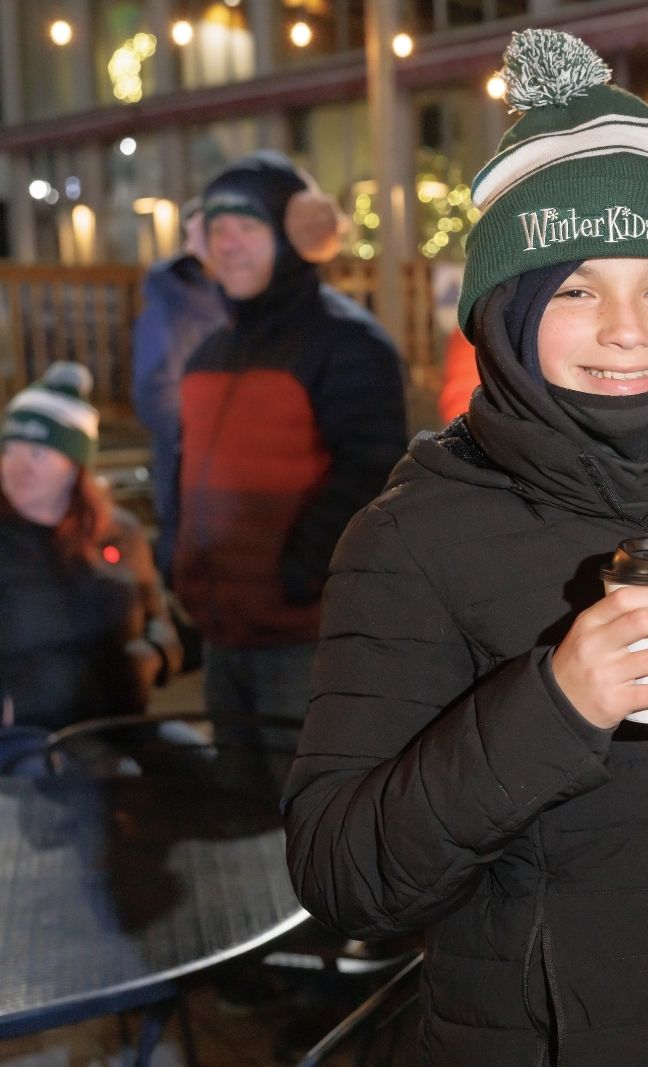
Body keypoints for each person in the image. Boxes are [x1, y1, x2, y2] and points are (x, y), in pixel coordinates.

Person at [282, 31, 648, 1065]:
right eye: (575, 290)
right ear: (506, 314)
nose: (624, 329)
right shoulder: (412, 536)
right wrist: (554, 704)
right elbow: (341, 872)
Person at [173, 151, 407, 756]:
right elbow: (184, 468)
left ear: (299, 235)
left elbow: (373, 476)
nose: (229, 245)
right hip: (223, 633)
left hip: (305, 638)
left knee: (302, 823)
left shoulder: (348, 345)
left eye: (248, 227)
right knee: (237, 815)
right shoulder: (208, 355)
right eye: (218, 229)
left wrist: (299, 576)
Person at [1, 363, 181, 769]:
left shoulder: (120, 533)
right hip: (31, 736)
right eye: (9, 449)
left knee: (202, 766)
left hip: (120, 719)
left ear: (75, 464)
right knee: (110, 783)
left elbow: (162, 621)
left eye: (38, 452)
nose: (18, 465)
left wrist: (149, 658)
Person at [132, 198, 227, 582]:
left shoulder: (237, 296)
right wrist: (202, 434)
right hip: (190, 465)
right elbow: (154, 392)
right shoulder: (173, 300)